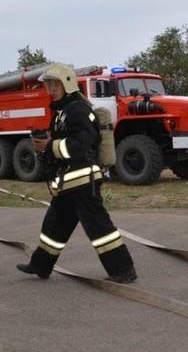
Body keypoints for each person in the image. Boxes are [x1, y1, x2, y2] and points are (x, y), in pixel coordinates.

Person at [16, 63, 136, 283]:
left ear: (68, 84)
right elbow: (61, 146)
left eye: (55, 84)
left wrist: (50, 145)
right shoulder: (61, 111)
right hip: (68, 182)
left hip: (83, 181)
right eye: (48, 84)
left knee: (99, 228)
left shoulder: (78, 109)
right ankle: (40, 265)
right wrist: (44, 150)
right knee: (54, 225)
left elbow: (81, 143)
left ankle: (123, 271)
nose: (51, 88)